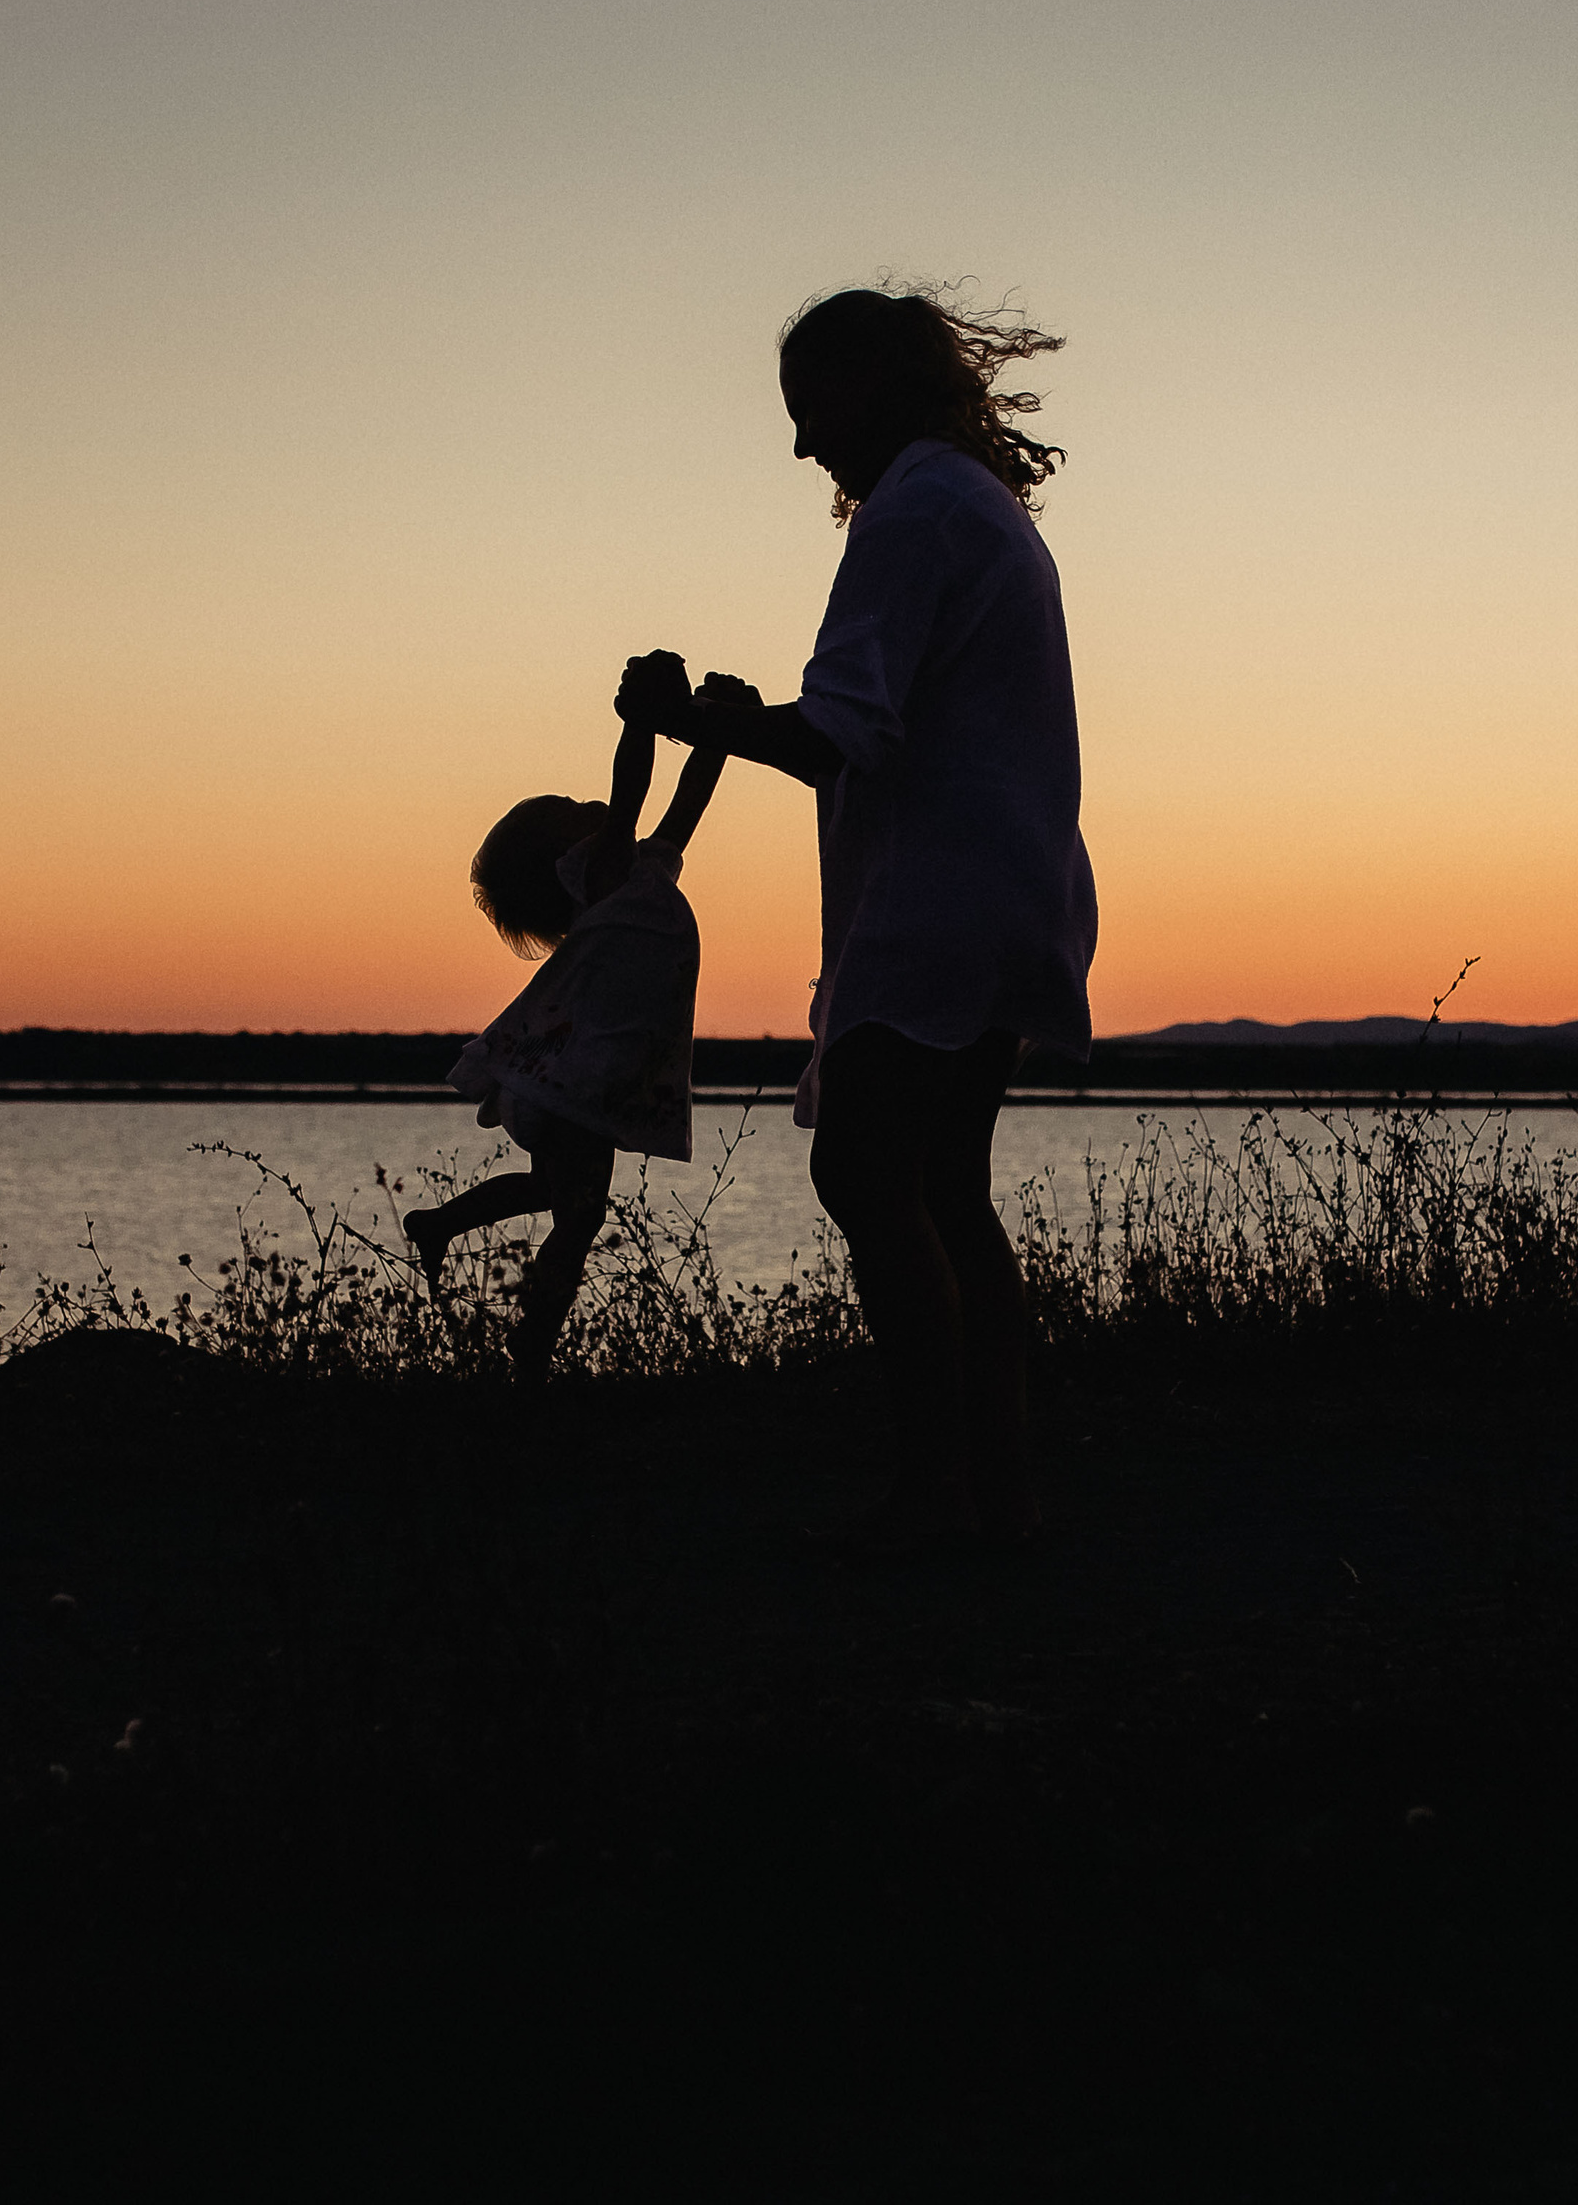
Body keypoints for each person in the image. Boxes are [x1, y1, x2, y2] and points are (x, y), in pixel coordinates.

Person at [615, 285, 1096, 1547]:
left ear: (870, 386)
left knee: (866, 1171)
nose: (800, 443)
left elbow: (837, 732)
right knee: (945, 1189)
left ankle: (941, 1495)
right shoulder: (974, 506)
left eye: (809, 408)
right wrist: (729, 718)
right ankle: (1002, 1495)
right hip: (1013, 890)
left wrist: (688, 719)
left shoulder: (913, 513)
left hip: (939, 900)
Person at [407, 693, 749, 1387]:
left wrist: (719, 734)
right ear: (559, 857)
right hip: (573, 1082)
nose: (587, 801)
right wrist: (641, 718)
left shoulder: (636, 875)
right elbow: (634, 787)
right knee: (580, 1216)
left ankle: (440, 1224)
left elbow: (687, 806)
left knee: (556, 1193)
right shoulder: (598, 873)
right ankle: (531, 1353)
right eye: (568, 804)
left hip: (559, 1083)